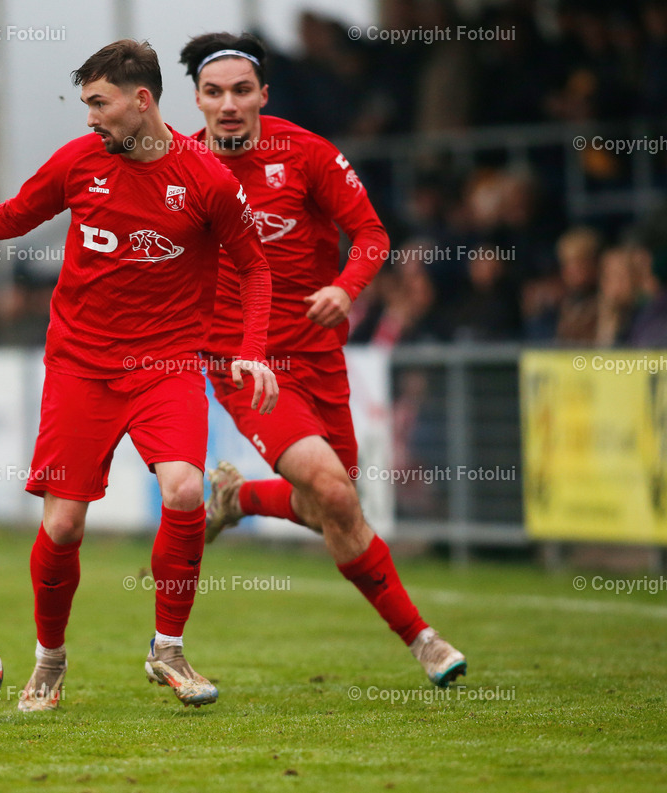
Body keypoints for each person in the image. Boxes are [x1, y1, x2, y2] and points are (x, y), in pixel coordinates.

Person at [0, 39, 279, 711]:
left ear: (141, 101)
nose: (89, 119)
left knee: (183, 491)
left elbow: (255, 267)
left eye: (99, 104)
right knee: (62, 528)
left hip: (168, 363)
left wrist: (254, 347)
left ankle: (167, 647)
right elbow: (11, 216)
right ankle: (49, 662)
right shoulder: (80, 161)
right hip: (81, 365)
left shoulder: (206, 178)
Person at [179, 32, 467, 687]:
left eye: (241, 91)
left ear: (263, 96)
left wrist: (345, 286)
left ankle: (238, 495)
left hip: (319, 355)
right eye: (215, 92)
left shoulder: (304, 153)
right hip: (243, 367)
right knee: (334, 490)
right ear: (197, 99)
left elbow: (371, 233)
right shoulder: (180, 165)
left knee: (329, 509)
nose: (229, 104)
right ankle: (424, 641)